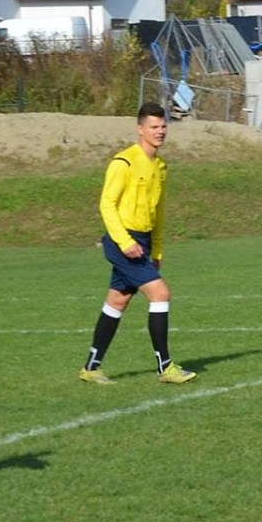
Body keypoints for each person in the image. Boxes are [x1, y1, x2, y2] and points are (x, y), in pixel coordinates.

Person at [79, 102, 196, 384]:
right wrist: (125, 241)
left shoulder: (161, 166)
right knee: (160, 294)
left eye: (163, 126)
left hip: (142, 241)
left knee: (117, 301)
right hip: (123, 240)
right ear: (140, 129)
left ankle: (91, 368)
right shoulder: (124, 162)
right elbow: (107, 205)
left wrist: (156, 249)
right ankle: (165, 368)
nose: (160, 131)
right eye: (154, 127)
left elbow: (159, 212)